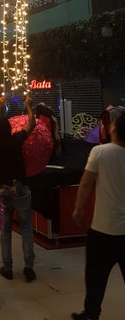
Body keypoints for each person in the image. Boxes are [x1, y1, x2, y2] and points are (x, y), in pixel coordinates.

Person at [71, 110, 125, 320]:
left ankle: (91, 314)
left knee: (95, 278)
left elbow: (86, 182)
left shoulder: (100, 152)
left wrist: (78, 208)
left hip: (103, 229)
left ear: (114, 129)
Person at [0, 94, 36, 282]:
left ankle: (7, 268)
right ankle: (29, 268)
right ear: (10, 128)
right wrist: (29, 105)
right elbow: (31, 124)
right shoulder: (16, 139)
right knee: (26, 229)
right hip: (19, 189)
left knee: (6, 230)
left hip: (3, 190)